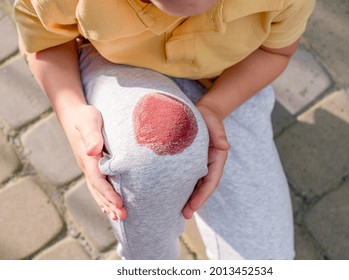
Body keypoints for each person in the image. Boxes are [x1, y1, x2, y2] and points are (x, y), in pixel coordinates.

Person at [13, 0, 315, 259]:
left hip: (228, 82)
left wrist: (217, 107)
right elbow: (45, 39)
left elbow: (275, 51)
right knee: (149, 157)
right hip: (116, 64)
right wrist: (72, 110)